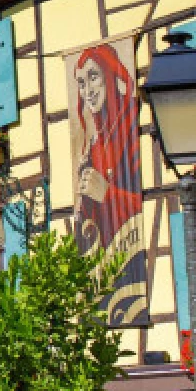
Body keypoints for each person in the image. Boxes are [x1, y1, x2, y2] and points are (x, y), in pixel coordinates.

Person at [73, 43, 142, 253]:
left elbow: (144, 202)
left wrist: (107, 193)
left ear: (110, 75)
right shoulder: (95, 143)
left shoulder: (131, 123)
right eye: (81, 83)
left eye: (93, 77)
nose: (88, 92)